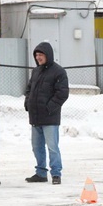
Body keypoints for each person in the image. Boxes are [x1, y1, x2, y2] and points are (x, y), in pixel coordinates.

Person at [24, 41, 69, 184]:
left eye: (40, 54)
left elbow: (62, 93)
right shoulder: (36, 71)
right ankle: (41, 173)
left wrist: (49, 108)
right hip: (35, 117)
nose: (38, 57)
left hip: (50, 117)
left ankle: (56, 173)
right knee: (37, 147)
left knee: (52, 147)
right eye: (36, 55)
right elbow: (29, 89)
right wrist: (27, 102)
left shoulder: (59, 71)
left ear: (47, 55)